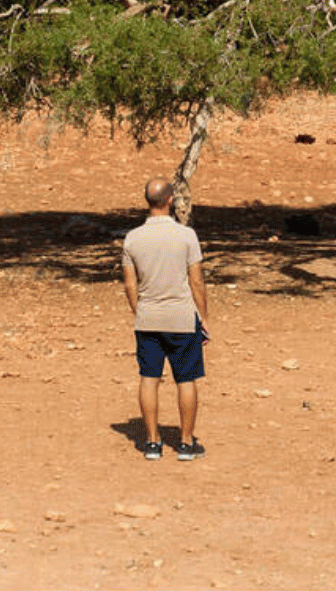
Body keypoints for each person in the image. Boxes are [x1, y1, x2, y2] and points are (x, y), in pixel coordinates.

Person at [122, 178, 209, 460]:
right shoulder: (186, 236)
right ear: (170, 200)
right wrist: (204, 317)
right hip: (182, 318)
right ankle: (185, 443)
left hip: (148, 318)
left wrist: (140, 310)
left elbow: (130, 284)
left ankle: (152, 442)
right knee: (186, 379)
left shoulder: (133, 238)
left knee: (149, 378)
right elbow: (196, 281)